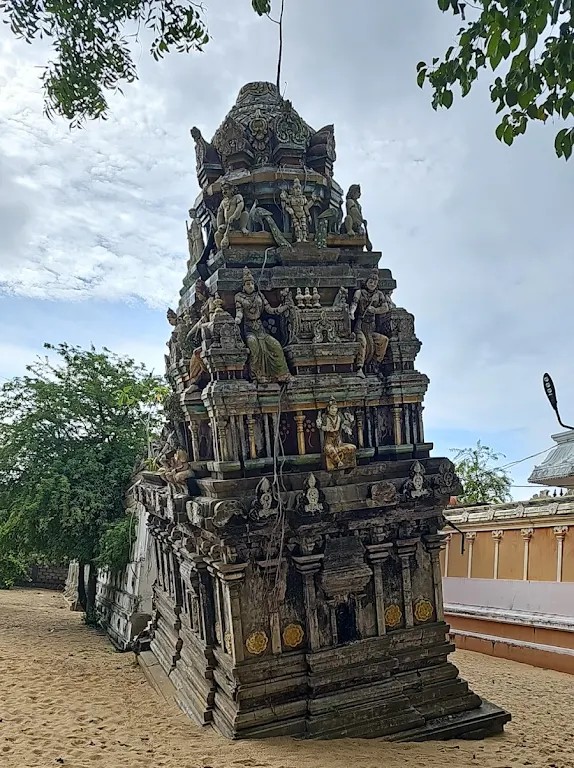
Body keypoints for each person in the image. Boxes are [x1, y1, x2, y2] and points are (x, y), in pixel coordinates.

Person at [234, 267, 291, 384]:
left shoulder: (259, 295)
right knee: (254, 347)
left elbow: (270, 310)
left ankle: (282, 374)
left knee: (276, 346)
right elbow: (239, 312)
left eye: (252, 283)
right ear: (243, 286)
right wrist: (237, 320)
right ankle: (257, 376)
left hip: (261, 330)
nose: (250, 286)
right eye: (247, 284)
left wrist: (283, 308)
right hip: (249, 330)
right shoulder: (239, 297)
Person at [349, 269, 391, 378]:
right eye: (370, 282)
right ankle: (359, 367)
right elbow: (354, 303)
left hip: (371, 326)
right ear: (366, 282)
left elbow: (385, 308)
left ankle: (375, 364)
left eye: (375, 283)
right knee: (362, 342)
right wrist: (351, 313)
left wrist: (375, 310)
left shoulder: (379, 295)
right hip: (360, 325)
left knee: (383, 340)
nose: (372, 284)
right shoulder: (359, 292)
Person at [316, 397, 356, 471]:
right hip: (329, 443)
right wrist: (323, 426)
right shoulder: (325, 417)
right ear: (328, 408)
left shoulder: (339, 416)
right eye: (332, 408)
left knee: (352, 447)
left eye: (335, 408)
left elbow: (346, 424)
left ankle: (349, 465)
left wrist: (351, 421)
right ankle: (339, 463)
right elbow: (322, 427)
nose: (334, 410)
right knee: (330, 450)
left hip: (338, 442)